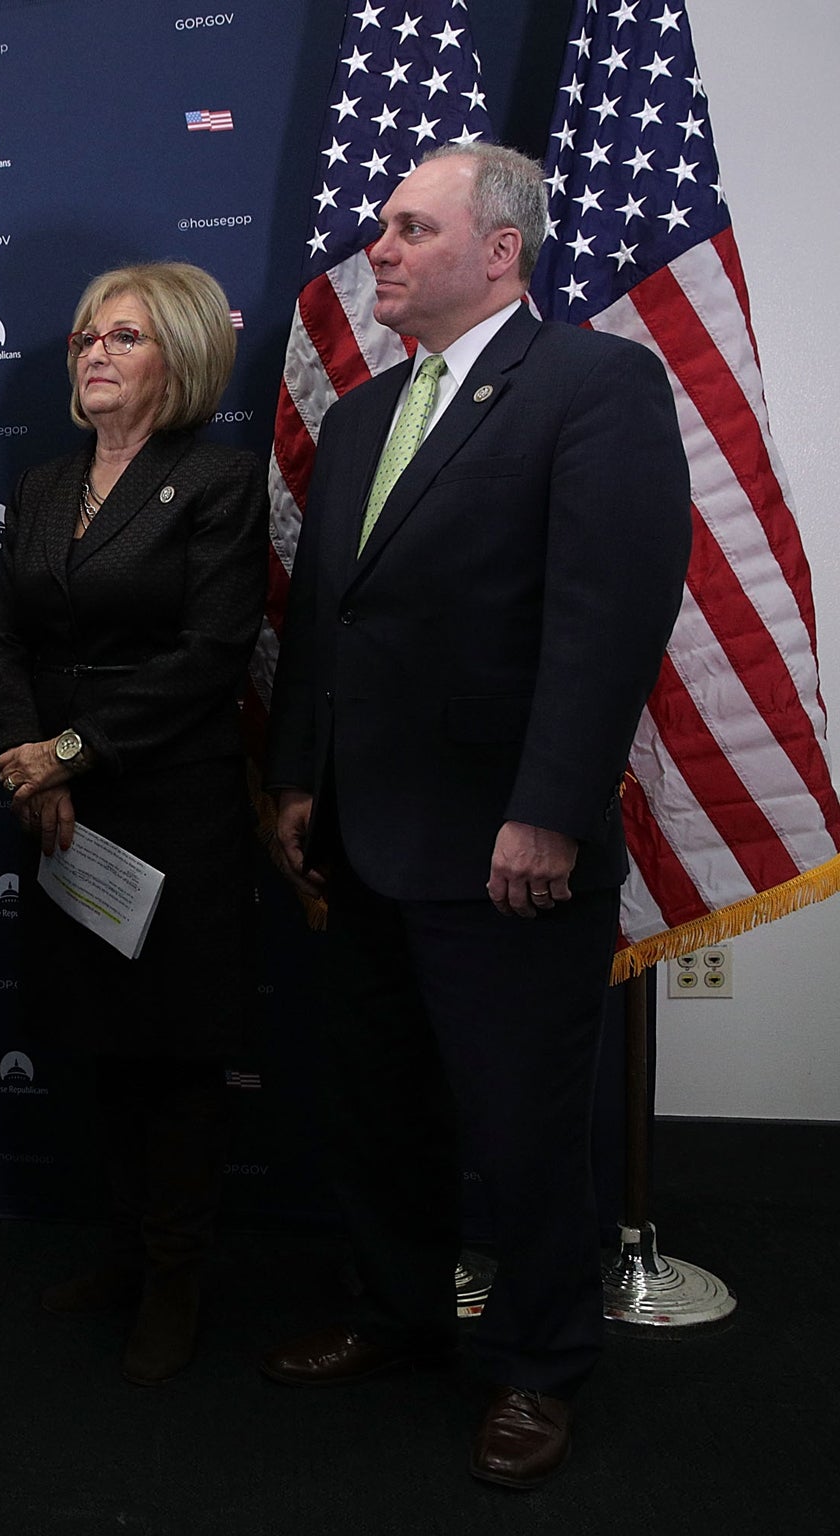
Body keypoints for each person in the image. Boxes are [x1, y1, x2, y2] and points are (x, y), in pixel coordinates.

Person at [261, 143, 691, 1487]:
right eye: (382, 228)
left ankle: (538, 1364)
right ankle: (398, 1315)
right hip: (363, 833)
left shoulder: (597, 387)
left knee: (523, 1126)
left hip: (509, 842)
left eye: (408, 228)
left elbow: (606, 616)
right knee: (379, 1108)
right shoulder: (361, 419)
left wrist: (552, 810)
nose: (377, 250)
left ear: (499, 250)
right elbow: (332, 623)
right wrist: (296, 780)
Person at [0, 262, 267, 1384]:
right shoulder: (44, 485)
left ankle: (176, 1279)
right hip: (55, 809)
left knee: (176, 1054)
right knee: (101, 1044)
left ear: (180, 357)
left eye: (125, 337)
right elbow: (4, 640)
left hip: (168, 800)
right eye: (85, 336)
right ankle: (121, 1254)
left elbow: (210, 657)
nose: (93, 353)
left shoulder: (216, 481)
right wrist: (36, 771)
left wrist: (74, 749)